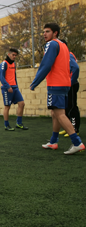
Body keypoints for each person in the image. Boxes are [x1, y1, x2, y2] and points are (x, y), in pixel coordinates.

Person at [30, 23, 84, 155]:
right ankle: (53, 141)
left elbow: (46, 64)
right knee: (55, 113)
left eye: (47, 31)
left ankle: (77, 143)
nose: (44, 34)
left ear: (55, 33)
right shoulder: (64, 46)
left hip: (56, 84)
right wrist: (70, 81)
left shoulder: (52, 44)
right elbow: (74, 67)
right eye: (43, 32)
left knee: (60, 114)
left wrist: (35, 82)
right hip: (65, 84)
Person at [0, 48, 28, 131]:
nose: (14, 56)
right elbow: (1, 77)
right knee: (7, 107)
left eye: (15, 55)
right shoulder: (4, 64)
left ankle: (19, 123)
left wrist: (16, 86)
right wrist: (8, 87)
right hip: (7, 88)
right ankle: (6, 125)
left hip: (15, 87)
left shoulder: (14, 64)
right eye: (13, 55)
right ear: (9, 54)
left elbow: (14, 76)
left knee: (22, 104)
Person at [58, 39, 80, 138]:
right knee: (66, 107)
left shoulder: (68, 54)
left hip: (71, 85)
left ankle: (75, 129)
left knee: (71, 107)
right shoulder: (64, 55)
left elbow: (76, 68)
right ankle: (68, 128)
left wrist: (70, 83)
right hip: (66, 85)